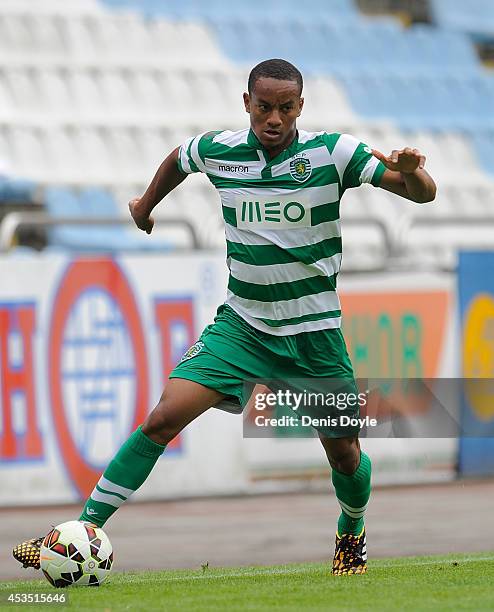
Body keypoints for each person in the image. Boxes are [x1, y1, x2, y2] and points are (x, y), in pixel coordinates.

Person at [13, 58, 436, 576]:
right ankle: (74, 537)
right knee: (163, 417)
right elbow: (178, 158)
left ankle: (351, 531)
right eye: (264, 107)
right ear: (246, 103)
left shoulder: (334, 153)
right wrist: (146, 205)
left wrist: (414, 173)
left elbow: (420, 191)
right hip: (243, 326)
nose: (274, 118)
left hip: (314, 336)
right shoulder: (222, 150)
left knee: (345, 455)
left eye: (285, 108)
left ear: (301, 107)